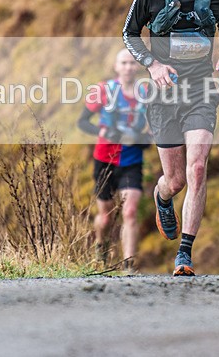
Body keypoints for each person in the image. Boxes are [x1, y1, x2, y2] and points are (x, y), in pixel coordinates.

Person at [122, 0, 219, 276]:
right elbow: (129, 34)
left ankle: (184, 254)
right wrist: (152, 64)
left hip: (201, 90)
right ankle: (162, 197)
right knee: (175, 180)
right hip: (163, 95)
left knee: (198, 167)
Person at [77, 48, 151, 272]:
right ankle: (101, 249)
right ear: (116, 67)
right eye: (124, 63)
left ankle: (129, 265)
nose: (128, 67)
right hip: (104, 159)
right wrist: (105, 132)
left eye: (132, 63)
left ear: (137, 66)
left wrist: (144, 139)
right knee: (106, 216)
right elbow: (83, 122)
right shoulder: (103, 90)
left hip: (132, 160)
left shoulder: (147, 92)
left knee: (129, 212)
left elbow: (158, 124)